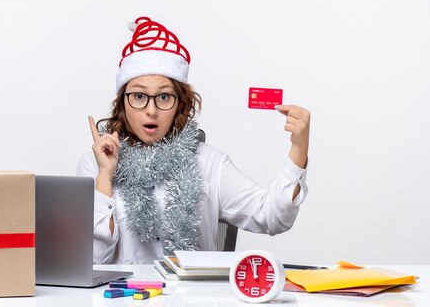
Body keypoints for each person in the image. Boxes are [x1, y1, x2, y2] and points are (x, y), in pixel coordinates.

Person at [77, 16, 310, 264]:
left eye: (164, 97)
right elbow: (92, 262)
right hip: (121, 300)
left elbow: (273, 217)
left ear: (180, 103)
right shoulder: (95, 164)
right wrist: (105, 175)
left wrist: (299, 149)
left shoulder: (208, 163)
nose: (151, 110)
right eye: (138, 96)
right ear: (123, 102)